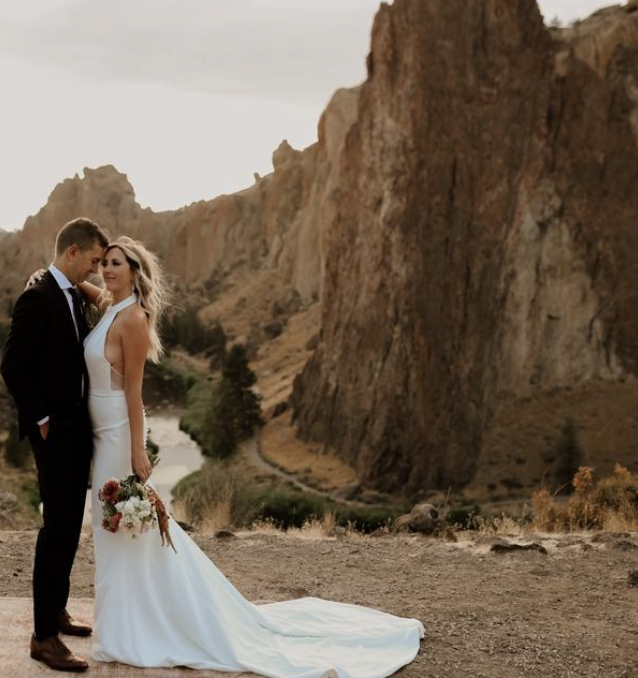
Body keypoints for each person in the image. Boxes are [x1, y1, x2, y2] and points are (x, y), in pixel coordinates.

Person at [76, 235, 425, 678]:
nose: (106, 270)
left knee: (122, 527)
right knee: (118, 531)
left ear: (134, 272)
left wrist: (136, 450)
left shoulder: (133, 319)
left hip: (118, 435)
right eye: (104, 263)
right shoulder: (111, 305)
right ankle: (130, 618)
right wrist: (60, 279)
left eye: (116, 264)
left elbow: (133, 392)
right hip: (101, 435)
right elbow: (93, 292)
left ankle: (132, 626)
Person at [0, 217, 109, 673]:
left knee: (68, 528)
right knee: (56, 531)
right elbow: (12, 366)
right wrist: (41, 419)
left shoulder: (67, 292)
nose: (96, 270)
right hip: (55, 433)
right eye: (94, 261)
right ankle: (43, 637)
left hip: (76, 430)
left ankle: (57, 610)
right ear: (73, 252)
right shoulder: (38, 296)